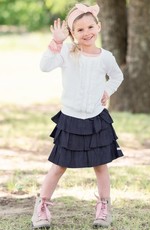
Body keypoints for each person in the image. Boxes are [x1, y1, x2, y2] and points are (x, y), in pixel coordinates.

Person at [31, 3, 124, 229]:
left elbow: (117, 77)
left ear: (99, 26)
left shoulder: (106, 57)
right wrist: (56, 43)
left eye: (90, 26)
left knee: (101, 165)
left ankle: (103, 207)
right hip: (71, 118)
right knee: (59, 165)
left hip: (96, 119)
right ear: (72, 33)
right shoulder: (66, 52)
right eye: (79, 29)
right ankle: (41, 207)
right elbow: (44, 66)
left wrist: (106, 91)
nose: (86, 33)